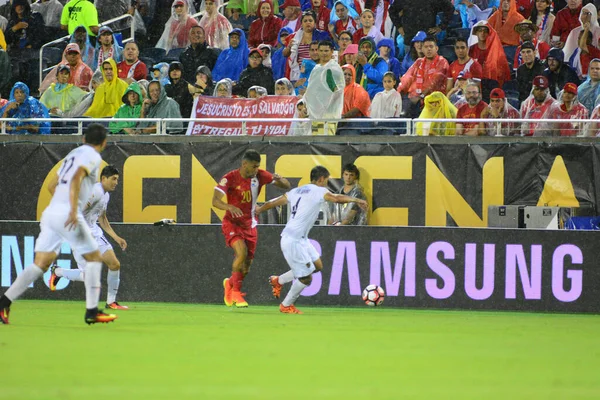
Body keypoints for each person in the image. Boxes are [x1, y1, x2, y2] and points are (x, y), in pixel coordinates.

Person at [0, 124, 116, 325]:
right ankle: (91, 311)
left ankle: (4, 301)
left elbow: (51, 186)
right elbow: (77, 178)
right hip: (68, 215)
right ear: (103, 143)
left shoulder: (71, 155)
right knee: (96, 259)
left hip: (51, 214)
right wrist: (72, 209)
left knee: (41, 264)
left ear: (83, 139)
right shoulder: (93, 157)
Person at [258, 165, 367, 314]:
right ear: (321, 179)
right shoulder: (319, 191)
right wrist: (356, 199)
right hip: (292, 240)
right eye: (326, 181)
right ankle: (286, 305)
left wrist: (258, 210)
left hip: (300, 239)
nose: (326, 184)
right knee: (306, 278)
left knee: (317, 265)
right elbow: (336, 198)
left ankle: (279, 280)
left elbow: (273, 202)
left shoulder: (296, 191)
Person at [212, 149, 291, 308]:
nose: (256, 170)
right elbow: (215, 201)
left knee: (246, 266)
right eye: (253, 167)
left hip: (250, 224)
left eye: (258, 167)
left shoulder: (260, 175)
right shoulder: (230, 178)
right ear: (244, 164)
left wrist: (279, 179)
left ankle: (230, 284)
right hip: (232, 223)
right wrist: (229, 207)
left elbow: (287, 186)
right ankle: (236, 294)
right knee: (241, 253)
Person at [49, 165, 129, 310]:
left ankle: (111, 302)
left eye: (117, 179)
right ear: (103, 178)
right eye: (113, 179)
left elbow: (102, 218)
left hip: (94, 232)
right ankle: (57, 272)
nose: (116, 182)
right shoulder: (95, 192)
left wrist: (116, 238)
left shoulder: (105, 195)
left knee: (114, 264)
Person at [398, 36, 450, 118]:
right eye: (426, 47)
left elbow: (434, 82)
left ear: (436, 48)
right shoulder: (419, 62)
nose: (428, 49)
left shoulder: (442, 62)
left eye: (431, 46)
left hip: (434, 101)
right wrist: (398, 92)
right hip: (415, 100)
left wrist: (420, 96)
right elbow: (407, 77)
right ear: (422, 49)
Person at [304, 40, 345, 135]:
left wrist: (332, 86)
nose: (323, 53)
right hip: (315, 113)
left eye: (326, 51)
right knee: (315, 141)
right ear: (317, 51)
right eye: (321, 51)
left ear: (332, 52)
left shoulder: (335, 69)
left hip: (329, 114)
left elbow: (337, 91)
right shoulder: (316, 69)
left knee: (326, 142)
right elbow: (310, 88)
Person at [388, 0, 453, 50]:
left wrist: (441, 27)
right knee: (410, 66)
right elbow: (392, 11)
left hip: (428, 39)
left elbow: (450, 8)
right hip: (410, 37)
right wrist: (399, 26)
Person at [469, 21, 511, 88]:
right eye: (480, 31)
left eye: (485, 31)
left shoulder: (494, 50)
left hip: (491, 84)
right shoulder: (471, 50)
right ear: (476, 33)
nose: (482, 33)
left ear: (489, 33)